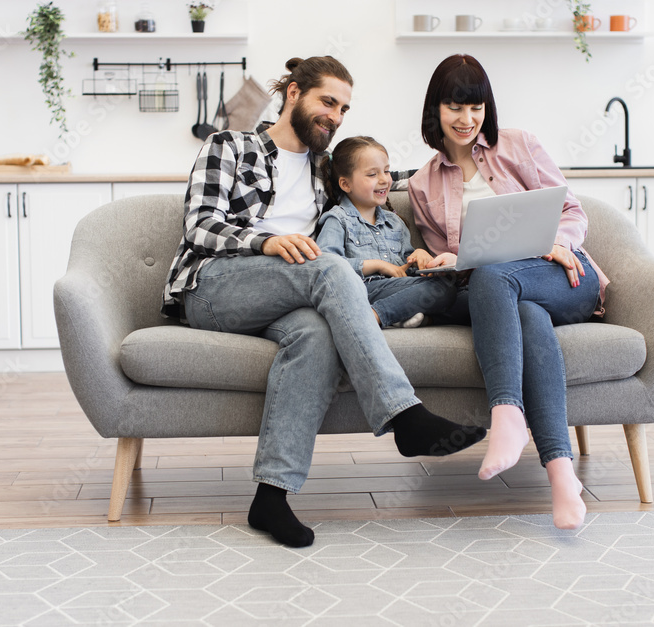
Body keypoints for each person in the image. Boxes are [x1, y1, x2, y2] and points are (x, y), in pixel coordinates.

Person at [163, 56, 486, 548]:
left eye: (343, 109)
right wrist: (266, 243)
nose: (335, 116)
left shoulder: (325, 167)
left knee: (315, 335)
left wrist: (462, 150)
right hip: (214, 287)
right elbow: (200, 225)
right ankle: (406, 418)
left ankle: (271, 496)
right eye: (327, 102)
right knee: (331, 267)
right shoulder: (230, 145)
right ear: (293, 93)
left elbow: (389, 177)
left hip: (286, 294)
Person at [407, 54, 610, 530]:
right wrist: (449, 261)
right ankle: (562, 476)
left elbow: (572, 211)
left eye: (476, 107)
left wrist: (558, 243)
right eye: (455, 107)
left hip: (561, 274)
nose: (467, 119)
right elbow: (450, 261)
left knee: (496, 276)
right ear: (435, 109)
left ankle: (507, 415)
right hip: (503, 293)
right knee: (522, 310)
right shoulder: (421, 185)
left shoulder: (519, 145)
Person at [316, 136, 456, 329]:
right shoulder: (338, 219)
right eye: (372, 174)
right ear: (346, 184)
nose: (383, 180)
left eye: (387, 171)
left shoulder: (395, 222)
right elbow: (326, 265)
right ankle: (372, 316)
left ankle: (411, 316)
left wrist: (419, 256)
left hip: (399, 288)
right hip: (365, 289)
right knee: (442, 289)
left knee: (468, 296)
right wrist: (378, 265)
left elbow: (406, 266)